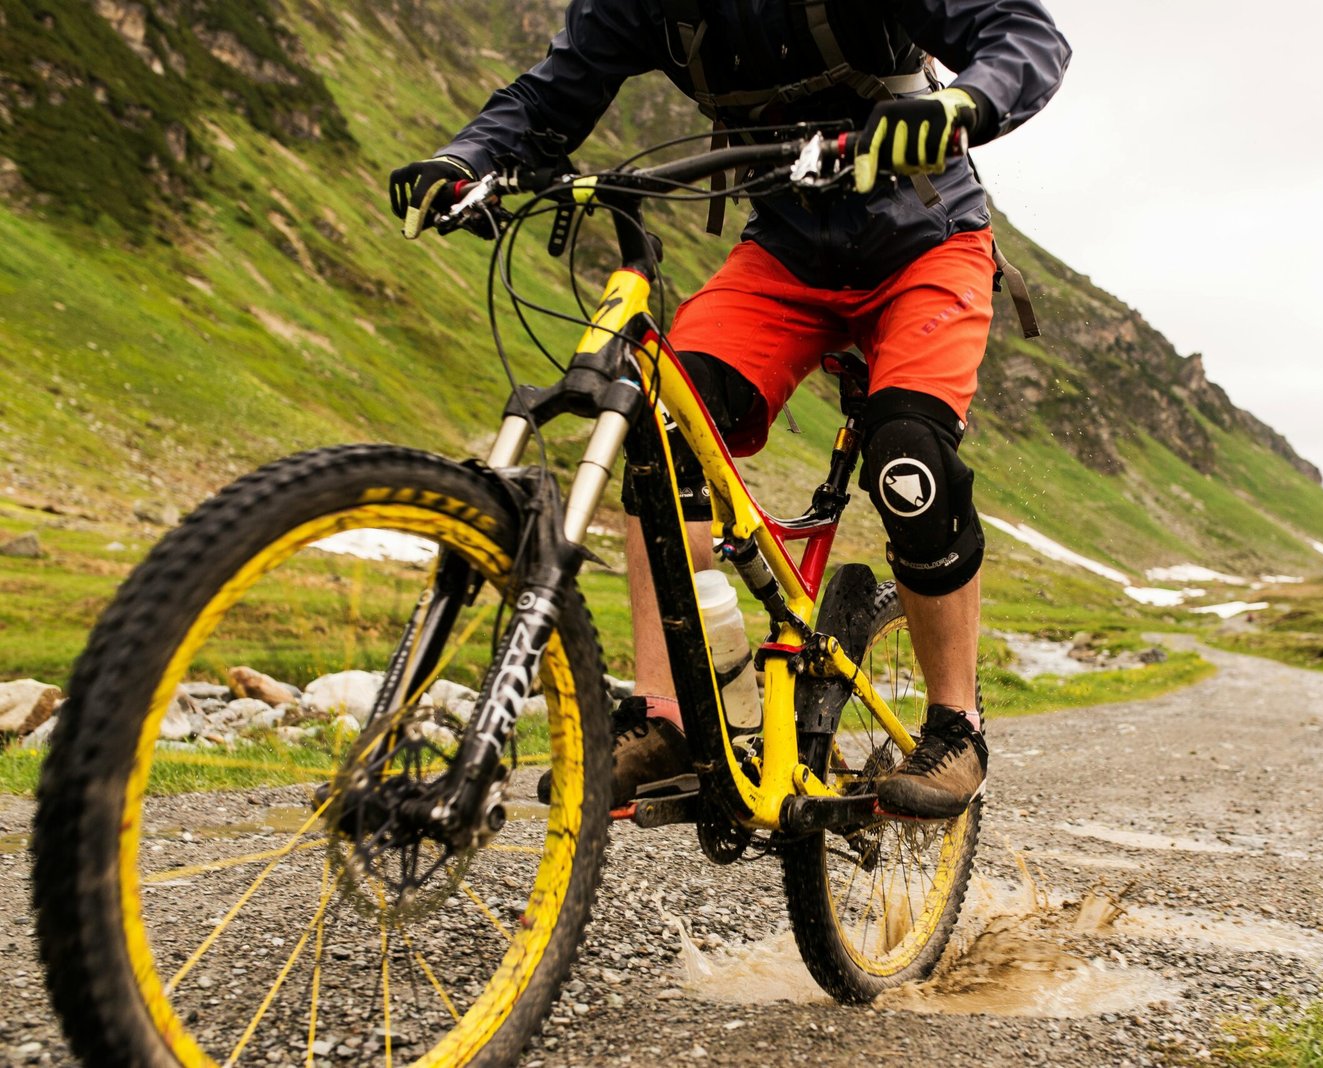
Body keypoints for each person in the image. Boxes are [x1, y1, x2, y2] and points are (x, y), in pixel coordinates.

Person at [389, 0, 1068, 819]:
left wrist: (962, 103)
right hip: (783, 257)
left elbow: (1023, 35)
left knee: (909, 459)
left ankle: (956, 725)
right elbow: (551, 94)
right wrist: (465, 158)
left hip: (927, 242)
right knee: (660, 426)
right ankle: (668, 714)